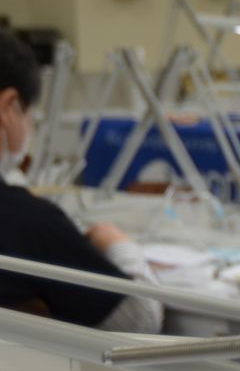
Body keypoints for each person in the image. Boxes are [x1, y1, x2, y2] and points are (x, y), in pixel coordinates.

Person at [0, 28, 161, 332]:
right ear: (9, 107)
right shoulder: (30, 223)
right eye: (30, 114)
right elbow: (139, 320)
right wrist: (118, 243)